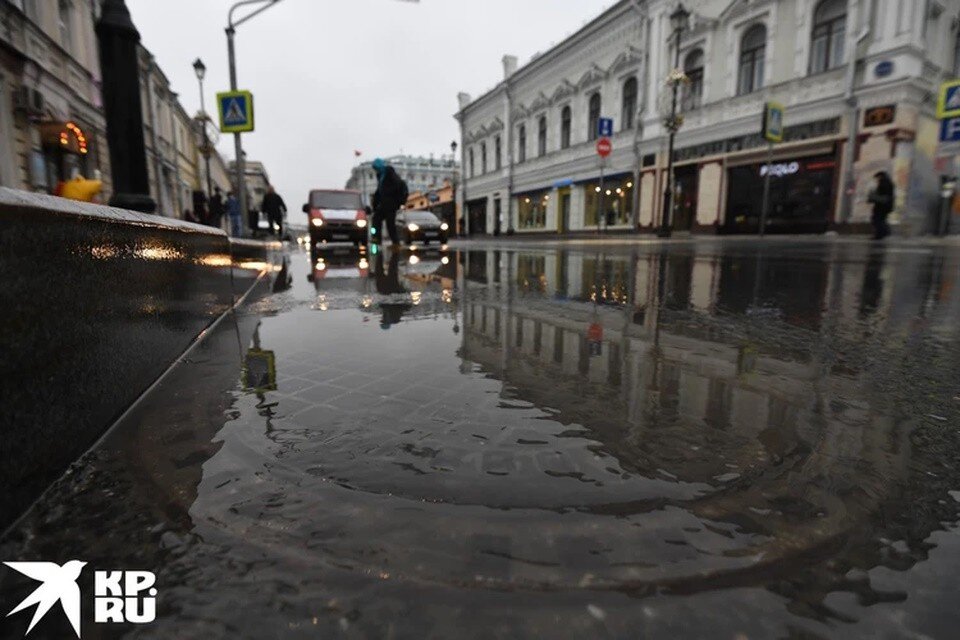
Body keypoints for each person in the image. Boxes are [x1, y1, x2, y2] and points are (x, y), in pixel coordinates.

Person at [371, 158, 409, 248]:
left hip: (391, 204)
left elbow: (398, 186)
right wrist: (375, 203)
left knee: (390, 223)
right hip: (383, 204)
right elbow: (379, 191)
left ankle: (395, 242)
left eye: (376, 167)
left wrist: (398, 202)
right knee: (376, 219)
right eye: (374, 168)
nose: (375, 170)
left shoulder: (390, 173)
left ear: (380, 166)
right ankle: (377, 238)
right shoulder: (380, 175)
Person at [868, 171, 894, 240]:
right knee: (880, 219)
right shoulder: (888, 183)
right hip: (885, 206)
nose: (877, 180)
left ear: (880, 177)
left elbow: (882, 196)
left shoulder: (884, 183)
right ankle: (883, 233)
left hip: (882, 206)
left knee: (877, 219)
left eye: (877, 178)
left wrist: (873, 197)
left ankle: (882, 233)